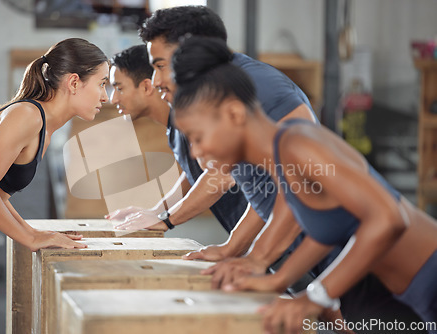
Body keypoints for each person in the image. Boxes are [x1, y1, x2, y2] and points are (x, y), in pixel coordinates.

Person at [172, 36, 437, 334]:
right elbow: (329, 229)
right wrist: (277, 280)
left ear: (234, 114)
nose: (194, 152)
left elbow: (389, 218)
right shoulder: (283, 156)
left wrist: (316, 296)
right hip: (413, 296)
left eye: (196, 137)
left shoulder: (298, 145)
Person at [108, 5, 319, 293]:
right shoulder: (217, 95)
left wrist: (168, 220)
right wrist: (234, 247)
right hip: (301, 247)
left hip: (330, 247)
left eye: (159, 66)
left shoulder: (258, 88)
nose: (156, 81)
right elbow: (269, 190)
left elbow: (302, 185)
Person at [0, 38, 109, 251]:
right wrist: (30, 240)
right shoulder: (28, 116)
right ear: (74, 83)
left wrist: (31, 232)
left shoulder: (43, 126)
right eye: (102, 84)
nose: (105, 96)